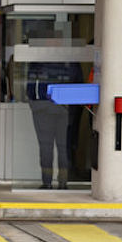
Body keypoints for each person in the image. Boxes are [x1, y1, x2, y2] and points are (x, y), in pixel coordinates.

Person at [25, 58, 83, 189]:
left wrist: (34, 103)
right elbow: (79, 85)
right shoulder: (72, 61)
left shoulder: (39, 60)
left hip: (43, 108)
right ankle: (63, 182)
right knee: (64, 147)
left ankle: (47, 182)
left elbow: (30, 85)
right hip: (64, 109)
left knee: (46, 147)